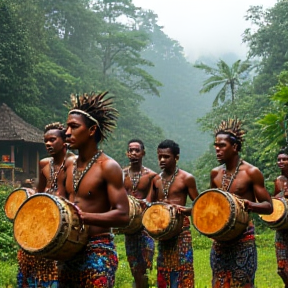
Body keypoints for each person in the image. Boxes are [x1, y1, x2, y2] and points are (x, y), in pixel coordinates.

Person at [57, 91, 130, 288]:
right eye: (67, 126)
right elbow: (61, 200)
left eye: (74, 127)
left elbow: (123, 215)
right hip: (68, 248)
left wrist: (84, 217)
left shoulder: (108, 167)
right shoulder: (68, 164)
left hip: (98, 250)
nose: (67, 132)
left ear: (91, 130)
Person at [210, 118, 273, 288]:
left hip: (243, 237)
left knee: (242, 283)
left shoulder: (251, 172)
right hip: (220, 239)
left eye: (222, 145)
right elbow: (210, 205)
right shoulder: (215, 174)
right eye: (216, 145)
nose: (217, 149)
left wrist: (249, 205)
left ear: (235, 147)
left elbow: (268, 206)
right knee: (219, 283)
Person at [17, 122, 70, 288]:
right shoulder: (44, 164)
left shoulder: (74, 164)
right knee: (28, 264)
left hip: (62, 225)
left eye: (52, 140)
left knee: (55, 272)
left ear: (64, 143)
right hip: (42, 222)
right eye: (45, 140)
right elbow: (39, 192)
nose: (48, 143)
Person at [147, 139, 199, 288]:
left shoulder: (186, 178)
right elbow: (150, 205)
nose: (162, 160)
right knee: (164, 272)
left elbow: (201, 205)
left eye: (166, 156)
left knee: (183, 271)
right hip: (162, 232)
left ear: (176, 157)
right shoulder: (156, 180)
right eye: (160, 156)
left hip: (181, 231)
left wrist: (185, 210)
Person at [122, 139, 157, 288]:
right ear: (127, 153)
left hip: (145, 228)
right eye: (131, 150)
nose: (134, 153)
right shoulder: (121, 174)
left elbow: (151, 200)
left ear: (143, 153)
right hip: (129, 229)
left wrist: (142, 204)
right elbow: (119, 198)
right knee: (134, 268)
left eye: (137, 150)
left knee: (146, 266)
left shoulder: (151, 176)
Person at [274, 146, 288, 287]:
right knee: (283, 268)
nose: (281, 162)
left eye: (284, 159)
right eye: (279, 160)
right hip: (282, 228)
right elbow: (276, 201)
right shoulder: (278, 180)